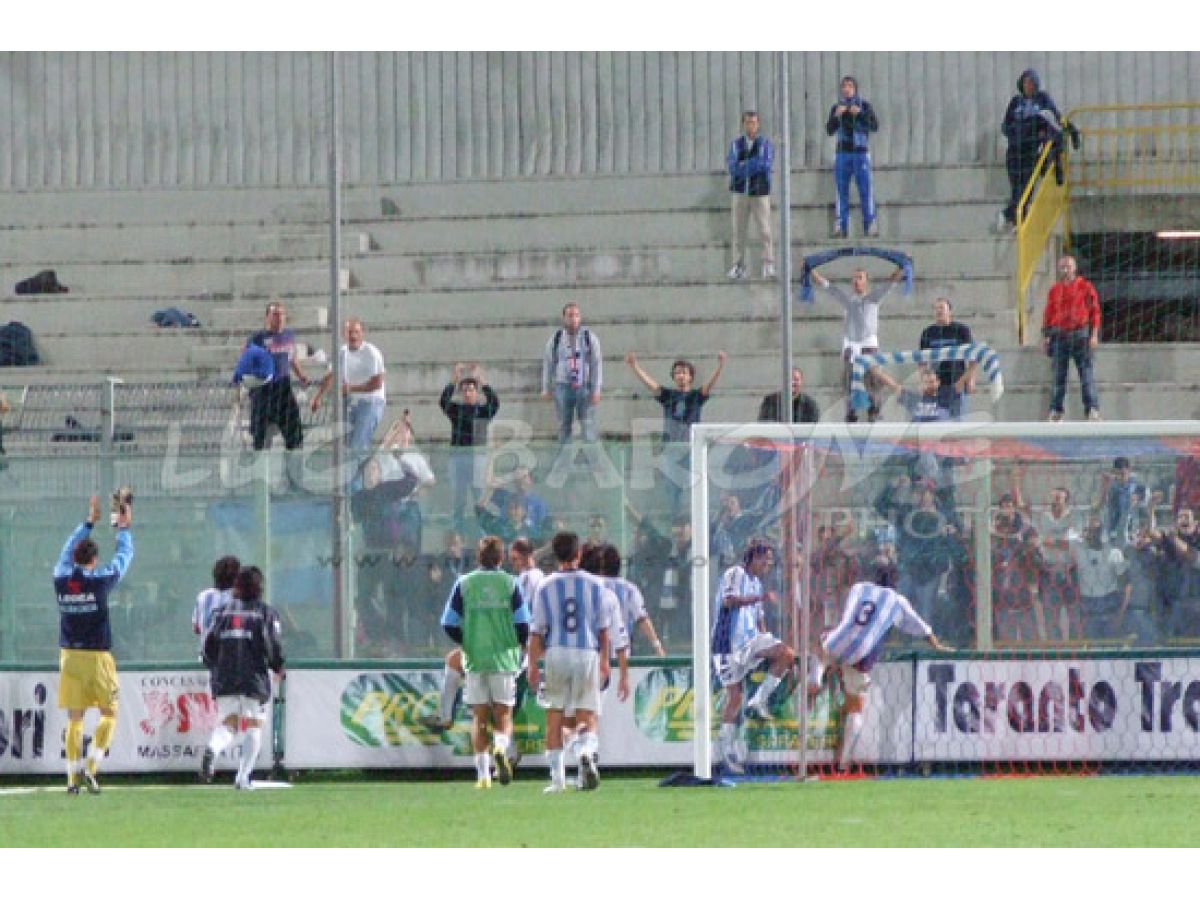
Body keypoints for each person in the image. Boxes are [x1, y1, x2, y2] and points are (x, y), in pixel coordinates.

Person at [819, 558, 950, 772]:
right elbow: (921, 627)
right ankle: (843, 765)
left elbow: (849, 616)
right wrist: (937, 645)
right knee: (855, 707)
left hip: (835, 643)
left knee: (821, 651)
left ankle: (817, 681)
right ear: (895, 579)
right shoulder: (896, 601)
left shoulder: (858, 588)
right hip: (860, 655)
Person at [54, 494, 134, 794]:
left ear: (74, 557)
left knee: (75, 718)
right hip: (97, 658)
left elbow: (66, 550)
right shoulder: (100, 581)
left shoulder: (60, 578)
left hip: (69, 657)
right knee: (109, 713)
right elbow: (124, 558)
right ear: (93, 561)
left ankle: (71, 779)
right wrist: (122, 529)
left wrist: (88, 523)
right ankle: (91, 767)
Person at [440, 536, 531, 789]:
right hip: (503, 658)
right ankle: (500, 748)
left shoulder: (464, 583)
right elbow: (523, 623)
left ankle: (482, 776)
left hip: (474, 658)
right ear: (501, 558)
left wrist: (466, 640)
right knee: (503, 713)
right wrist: (518, 644)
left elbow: (448, 623)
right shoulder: (510, 584)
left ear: (478, 557)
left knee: (479, 717)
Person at [527, 531, 612, 793]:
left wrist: (532, 665)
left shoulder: (545, 585)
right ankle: (585, 751)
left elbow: (536, 631)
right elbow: (603, 630)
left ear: (555, 555)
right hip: (586, 652)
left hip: (556, 652)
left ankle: (557, 780)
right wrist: (605, 661)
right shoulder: (596, 584)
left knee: (554, 716)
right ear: (579, 554)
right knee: (586, 714)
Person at [712, 539, 796, 775]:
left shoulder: (757, 583)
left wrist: (766, 638)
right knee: (735, 698)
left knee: (786, 654)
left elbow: (759, 618)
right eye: (765, 560)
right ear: (754, 558)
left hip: (751, 641)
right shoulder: (735, 573)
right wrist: (760, 599)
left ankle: (759, 700)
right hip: (727, 645)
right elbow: (728, 601)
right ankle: (726, 751)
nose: (768, 565)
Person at [200, 566, 285, 791]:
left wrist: (214, 668)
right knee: (254, 725)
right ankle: (243, 777)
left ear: (236, 586)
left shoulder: (220, 613)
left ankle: (213, 748)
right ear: (260, 587)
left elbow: (208, 646)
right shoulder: (265, 613)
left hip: (225, 676)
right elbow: (273, 644)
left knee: (229, 723)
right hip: (253, 677)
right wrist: (278, 666)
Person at [810, 265, 904, 422]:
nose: (856, 281)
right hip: (851, 345)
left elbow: (891, 283)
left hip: (868, 344)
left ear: (866, 281)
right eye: (854, 278)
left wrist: (902, 266)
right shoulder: (847, 300)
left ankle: (875, 413)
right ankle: (851, 413)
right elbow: (827, 286)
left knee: (872, 379)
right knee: (849, 379)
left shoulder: (873, 298)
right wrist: (811, 270)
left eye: (860, 278)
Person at [310, 318, 387, 479]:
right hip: (351, 401)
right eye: (350, 332)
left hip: (371, 401)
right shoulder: (342, 352)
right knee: (344, 443)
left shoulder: (371, 353)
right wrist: (318, 397)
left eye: (356, 332)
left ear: (362, 334)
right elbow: (331, 376)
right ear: (344, 334)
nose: (353, 336)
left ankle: (356, 484)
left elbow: (377, 383)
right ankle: (351, 479)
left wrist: (351, 388)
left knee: (358, 444)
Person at [439, 363, 500, 534]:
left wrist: (482, 380)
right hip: (459, 458)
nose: (467, 393)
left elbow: (495, 403)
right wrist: (454, 379)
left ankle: (483, 533)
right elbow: (443, 401)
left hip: (477, 459)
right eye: (464, 390)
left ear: (476, 392)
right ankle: (457, 533)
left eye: (471, 390)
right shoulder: (456, 410)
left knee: (479, 498)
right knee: (458, 499)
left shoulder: (482, 411)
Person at [999, 69, 1062, 232]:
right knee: (1017, 187)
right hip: (1015, 150)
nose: (1029, 86)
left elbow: (1054, 118)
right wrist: (1015, 133)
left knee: (1027, 185)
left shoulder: (1043, 99)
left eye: (1032, 83)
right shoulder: (1016, 102)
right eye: (1026, 83)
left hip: (1032, 149)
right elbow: (1005, 125)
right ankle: (1015, 219)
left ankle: (1011, 216)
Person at [244, 301, 309, 451]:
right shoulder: (257, 338)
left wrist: (301, 375)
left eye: (282, 314)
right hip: (263, 390)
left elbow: (291, 358)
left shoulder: (288, 335)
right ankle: (259, 463)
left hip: (283, 387)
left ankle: (293, 464)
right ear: (267, 317)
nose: (279, 318)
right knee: (260, 437)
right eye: (275, 314)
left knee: (295, 434)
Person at [1043, 255, 1102, 422]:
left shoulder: (1085, 286)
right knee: (1058, 377)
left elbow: (1095, 311)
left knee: (1086, 375)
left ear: (1074, 268)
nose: (1065, 270)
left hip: (1080, 334)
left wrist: (1094, 334)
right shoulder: (1054, 290)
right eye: (1062, 267)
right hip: (1059, 335)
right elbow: (1049, 314)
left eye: (1068, 267)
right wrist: (1046, 336)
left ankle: (1092, 409)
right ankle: (1056, 411)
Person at [625, 351, 727, 444]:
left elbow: (709, 385)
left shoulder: (696, 395)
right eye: (678, 373)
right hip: (671, 445)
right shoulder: (668, 395)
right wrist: (634, 366)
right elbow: (650, 384)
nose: (681, 376)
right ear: (673, 376)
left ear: (690, 376)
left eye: (684, 373)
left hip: (691, 444)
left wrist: (720, 366)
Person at [826, 75, 880, 239]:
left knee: (865, 189)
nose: (846, 89)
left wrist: (861, 114)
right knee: (841, 190)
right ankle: (841, 225)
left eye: (850, 86)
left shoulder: (864, 106)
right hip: (843, 153)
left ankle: (870, 224)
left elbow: (874, 126)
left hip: (860, 152)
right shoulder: (837, 107)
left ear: (855, 89)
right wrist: (836, 116)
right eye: (844, 86)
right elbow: (829, 130)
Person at [541, 303, 603, 444]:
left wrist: (596, 390)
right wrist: (546, 388)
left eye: (576, 315)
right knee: (564, 425)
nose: (574, 319)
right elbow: (548, 364)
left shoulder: (589, 338)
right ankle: (564, 457)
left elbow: (596, 364)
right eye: (570, 315)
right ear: (564, 318)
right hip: (563, 386)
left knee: (587, 424)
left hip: (584, 386)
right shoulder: (556, 338)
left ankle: (591, 456)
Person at [725, 110, 775, 280]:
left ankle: (768, 263)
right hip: (740, 192)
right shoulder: (736, 144)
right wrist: (751, 166)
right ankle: (738, 265)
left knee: (765, 230)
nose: (751, 126)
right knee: (738, 231)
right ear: (743, 124)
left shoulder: (765, 144)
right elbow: (733, 167)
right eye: (747, 122)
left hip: (760, 192)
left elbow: (764, 164)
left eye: (753, 122)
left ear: (758, 125)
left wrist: (744, 165)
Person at [601, 543, 666, 657]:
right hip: (621, 652)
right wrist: (657, 646)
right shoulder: (629, 589)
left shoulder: (592, 586)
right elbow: (642, 619)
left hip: (597, 653)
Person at [918, 298, 978, 419]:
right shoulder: (927, 332)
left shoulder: (962, 330)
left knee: (957, 421)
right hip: (935, 385)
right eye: (936, 308)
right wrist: (923, 381)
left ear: (949, 311)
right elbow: (921, 361)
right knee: (936, 421)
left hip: (957, 382)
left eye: (942, 308)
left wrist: (969, 379)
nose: (938, 311)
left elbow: (974, 357)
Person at [193, 555, 241, 693]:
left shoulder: (203, 596)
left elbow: (196, 628)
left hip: (205, 661)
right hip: (234, 665)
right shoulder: (240, 599)